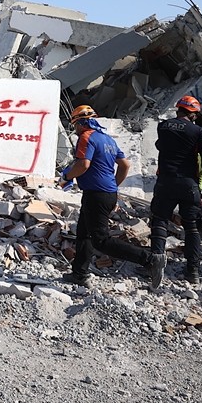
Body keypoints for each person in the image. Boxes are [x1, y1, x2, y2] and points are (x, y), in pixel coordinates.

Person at [62, 105, 167, 289]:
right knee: (84, 233)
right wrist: (112, 186)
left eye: (75, 125)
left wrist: (67, 176)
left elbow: (83, 164)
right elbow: (125, 165)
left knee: (101, 240)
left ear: (80, 123)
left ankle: (149, 259)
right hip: (106, 194)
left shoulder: (86, 137)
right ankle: (79, 273)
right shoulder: (108, 139)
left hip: (96, 195)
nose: (75, 129)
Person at [150, 95, 202, 284]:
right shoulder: (197, 131)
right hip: (188, 183)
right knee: (191, 226)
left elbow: (160, 145)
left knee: (159, 220)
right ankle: (193, 271)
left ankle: (155, 264)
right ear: (192, 113)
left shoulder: (163, 126)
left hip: (165, 181)